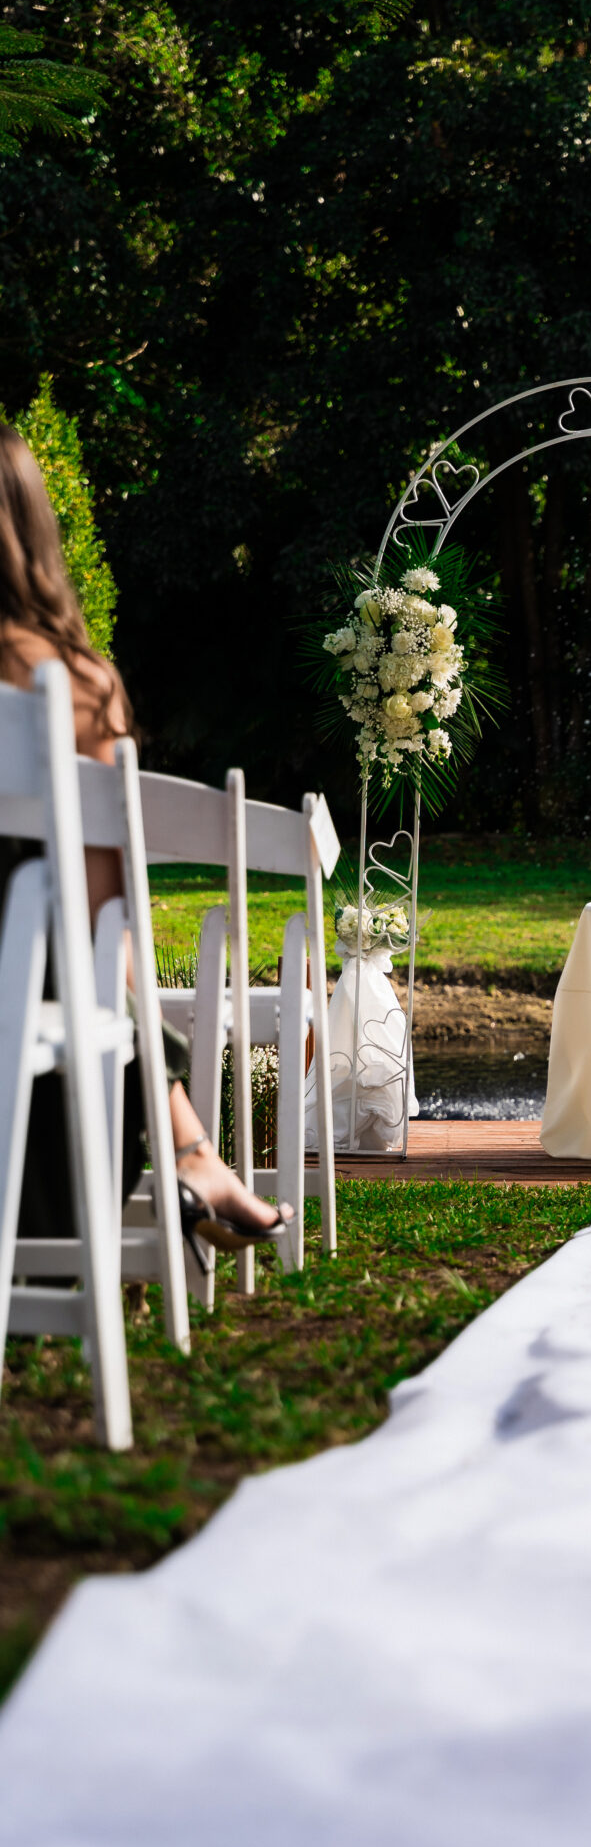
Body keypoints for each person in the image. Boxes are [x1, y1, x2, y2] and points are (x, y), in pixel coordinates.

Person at [0, 420, 289, 1259]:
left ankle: (194, 1153)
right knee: (91, 961)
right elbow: (105, 915)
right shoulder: (74, 683)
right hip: (26, 1003)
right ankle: (192, 1153)